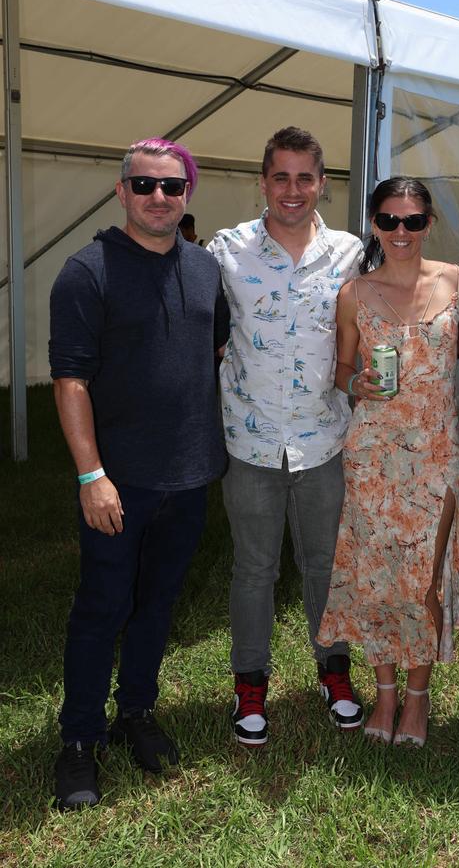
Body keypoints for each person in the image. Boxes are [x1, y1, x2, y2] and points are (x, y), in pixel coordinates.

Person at [49, 138, 229, 811]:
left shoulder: (206, 269)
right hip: (118, 484)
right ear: (121, 191)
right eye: (146, 186)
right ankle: (77, 742)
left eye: (172, 187)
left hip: (188, 478)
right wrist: (90, 474)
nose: (160, 198)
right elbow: (69, 382)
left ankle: (137, 714)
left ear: (188, 195)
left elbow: (212, 347)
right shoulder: (86, 271)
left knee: (158, 606)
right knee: (102, 608)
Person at [207, 126, 365, 746]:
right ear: (263, 181)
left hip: (324, 437)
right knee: (253, 569)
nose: (293, 190)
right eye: (281, 177)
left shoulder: (352, 252)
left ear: (323, 183)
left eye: (305, 177)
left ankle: (334, 670)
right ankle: (250, 684)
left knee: (325, 563)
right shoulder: (226, 250)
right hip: (248, 441)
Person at [317, 177, 459, 747]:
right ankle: (384, 696)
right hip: (373, 455)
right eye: (388, 221)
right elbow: (340, 373)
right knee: (379, 579)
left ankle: (418, 700)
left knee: (424, 582)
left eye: (412, 221)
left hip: (435, 452)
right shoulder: (354, 293)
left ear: (429, 223)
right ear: (375, 225)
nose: (400, 232)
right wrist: (359, 381)